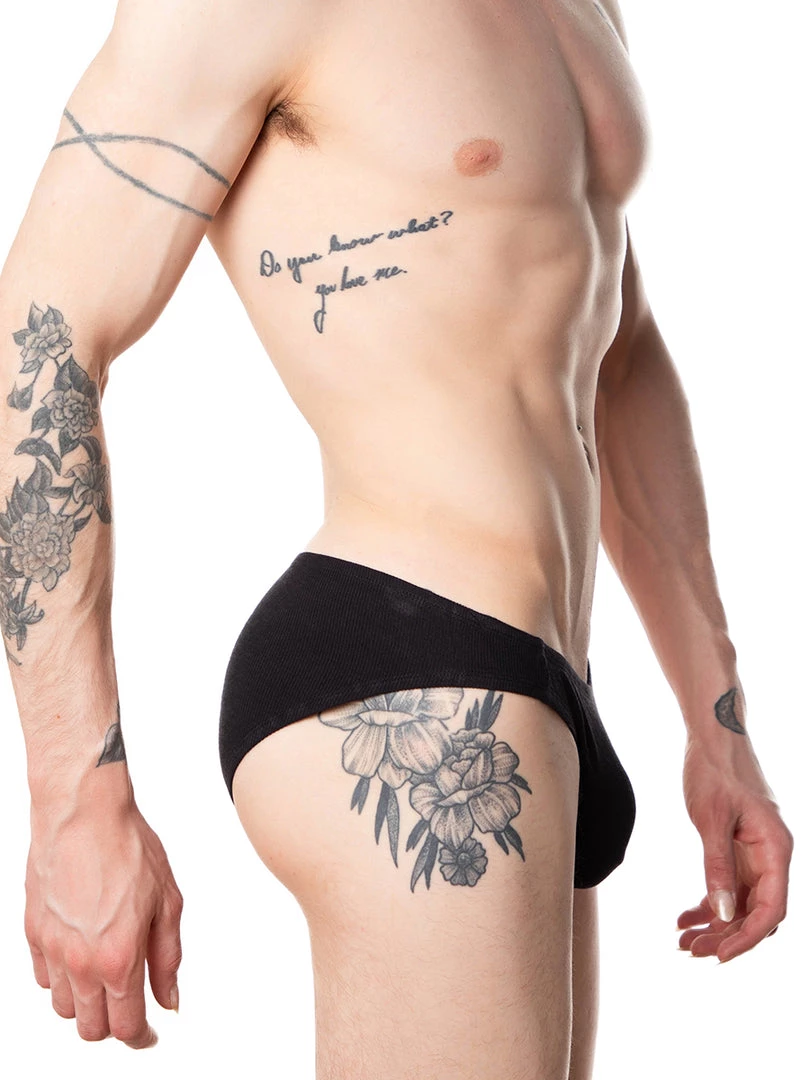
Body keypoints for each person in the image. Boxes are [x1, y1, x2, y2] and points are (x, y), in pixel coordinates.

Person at [0, 0, 793, 1076]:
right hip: (404, 663)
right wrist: (73, 801)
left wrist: (717, 722)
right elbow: (40, 331)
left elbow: (618, 347)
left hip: (551, 693)